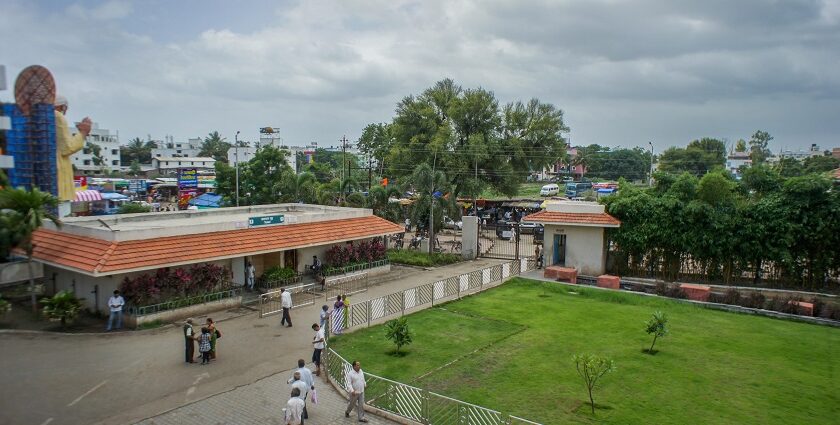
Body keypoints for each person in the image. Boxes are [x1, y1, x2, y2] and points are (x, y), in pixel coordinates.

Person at [54, 96, 92, 204]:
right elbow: (67, 148)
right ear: (63, 107)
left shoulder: (40, 116)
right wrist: (83, 133)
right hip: (58, 170)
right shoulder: (58, 117)